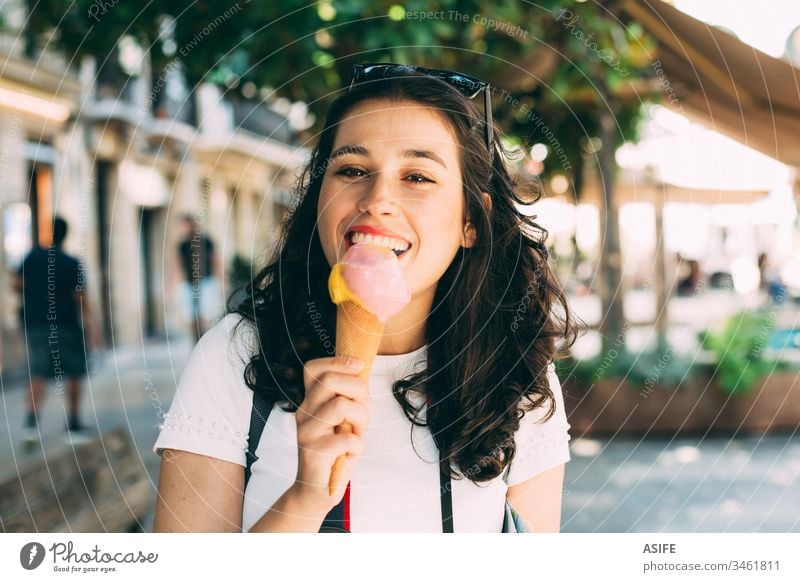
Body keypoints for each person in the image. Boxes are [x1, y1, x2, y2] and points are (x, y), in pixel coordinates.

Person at [153, 64, 576, 532]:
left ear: (471, 222)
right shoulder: (234, 357)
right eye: (352, 169)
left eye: (417, 177)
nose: (377, 199)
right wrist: (307, 496)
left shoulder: (517, 374)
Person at [15, 216, 98, 446]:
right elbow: (81, 297)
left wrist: (32, 294)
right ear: (66, 234)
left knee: (38, 373)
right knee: (73, 373)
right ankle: (72, 426)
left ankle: (31, 426)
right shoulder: (72, 263)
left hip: (37, 325)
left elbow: (15, 283)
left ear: (48, 232)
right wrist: (92, 326)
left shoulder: (31, 257)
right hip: (66, 324)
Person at [176, 214, 222, 343]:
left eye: (184, 225)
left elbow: (215, 260)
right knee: (191, 317)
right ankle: (196, 343)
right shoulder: (183, 245)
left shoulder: (206, 241)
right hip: (189, 284)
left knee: (205, 315)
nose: (182, 228)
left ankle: (205, 342)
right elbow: (179, 265)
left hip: (206, 282)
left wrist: (220, 279)